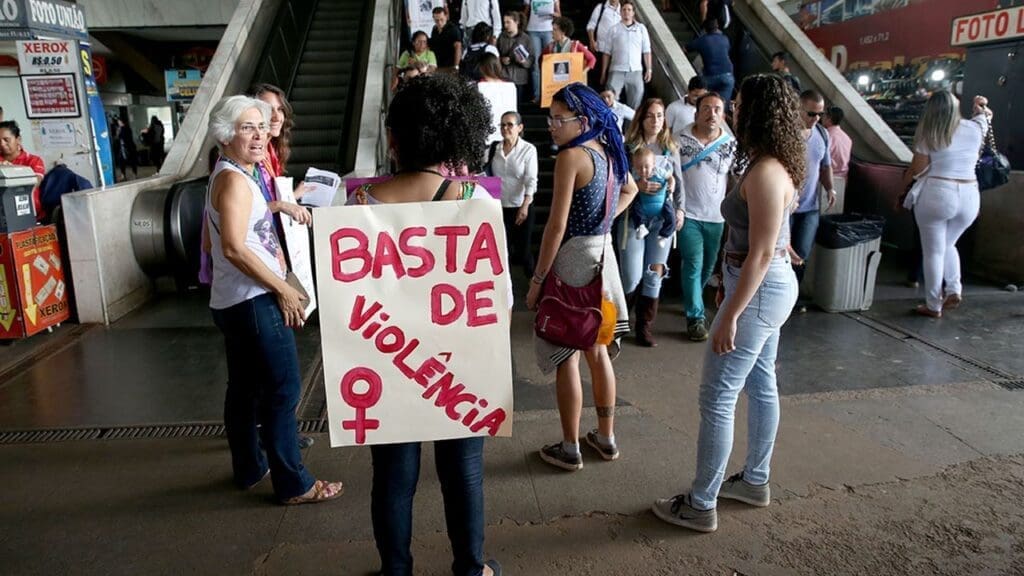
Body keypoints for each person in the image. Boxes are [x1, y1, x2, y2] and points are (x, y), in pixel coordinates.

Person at [347, 74, 503, 576]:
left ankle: (396, 571)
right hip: (458, 367)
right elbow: (499, 298)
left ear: (395, 140)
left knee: (393, 477)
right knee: (464, 472)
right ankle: (470, 568)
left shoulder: (361, 207)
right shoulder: (476, 203)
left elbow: (348, 298)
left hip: (390, 363)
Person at [652, 74, 804, 533]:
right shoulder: (771, 163)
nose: (733, 109)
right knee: (760, 385)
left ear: (758, 112)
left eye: (739, 104)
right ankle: (754, 480)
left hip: (760, 287)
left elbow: (761, 252)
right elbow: (769, 241)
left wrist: (731, 314)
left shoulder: (765, 170)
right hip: (762, 281)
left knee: (717, 397)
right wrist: (730, 279)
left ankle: (701, 504)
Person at [204, 95, 342, 506]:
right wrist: (282, 289)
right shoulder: (231, 178)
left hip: (237, 300)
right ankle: (294, 483)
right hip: (252, 301)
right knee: (283, 389)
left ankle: (250, 467)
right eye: (248, 127)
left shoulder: (237, 173)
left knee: (245, 389)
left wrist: (280, 204)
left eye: (262, 127)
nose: (259, 135)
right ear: (227, 135)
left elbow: (247, 221)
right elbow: (233, 247)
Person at [527, 82, 638, 471]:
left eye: (560, 119)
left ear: (583, 120)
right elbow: (631, 189)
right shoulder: (607, 151)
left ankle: (570, 446)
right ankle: (606, 438)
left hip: (573, 259)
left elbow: (555, 227)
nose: (552, 126)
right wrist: (604, 223)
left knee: (566, 356)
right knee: (598, 350)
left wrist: (538, 281)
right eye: (551, 118)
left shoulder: (571, 157)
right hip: (603, 258)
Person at [901, 92, 991, 319]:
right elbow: (987, 115)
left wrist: (902, 189)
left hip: (938, 193)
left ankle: (933, 304)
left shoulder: (928, 134)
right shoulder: (975, 127)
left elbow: (918, 169)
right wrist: (980, 105)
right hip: (970, 194)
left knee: (933, 251)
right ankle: (954, 289)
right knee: (949, 244)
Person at [676, 92, 737, 341]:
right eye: (707, 108)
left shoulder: (730, 143)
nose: (712, 113)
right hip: (688, 213)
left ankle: (694, 299)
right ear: (697, 112)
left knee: (708, 265)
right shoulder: (680, 139)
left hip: (716, 217)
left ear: (723, 114)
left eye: (717, 109)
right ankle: (695, 317)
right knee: (692, 263)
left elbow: (737, 177)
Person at [622, 97, 682, 347]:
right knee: (631, 273)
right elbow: (617, 180)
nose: (656, 120)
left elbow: (678, 182)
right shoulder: (629, 147)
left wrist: (680, 209)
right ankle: (621, 320)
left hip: (662, 218)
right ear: (641, 118)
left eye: (660, 115)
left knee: (654, 272)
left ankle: (644, 326)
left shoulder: (670, 147)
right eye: (650, 115)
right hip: (634, 219)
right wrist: (637, 186)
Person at [788, 89, 834, 311]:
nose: (816, 119)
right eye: (811, 114)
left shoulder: (822, 135)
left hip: (810, 207)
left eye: (820, 114)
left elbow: (826, 166)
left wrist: (830, 188)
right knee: (781, 254)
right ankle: (780, 295)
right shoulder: (786, 135)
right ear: (798, 109)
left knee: (802, 254)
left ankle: (793, 297)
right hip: (785, 207)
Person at [488, 111, 538, 277]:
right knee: (501, 251)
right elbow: (485, 174)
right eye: (502, 125)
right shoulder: (494, 149)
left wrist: (525, 206)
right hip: (499, 207)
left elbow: (531, 180)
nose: (505, 128)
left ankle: (533, 287)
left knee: (524, 251)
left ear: (520, 127)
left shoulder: (528, 150)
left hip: (521, 206)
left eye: (510, 124)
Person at [600, 0, 651, 110]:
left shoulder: (641, 29)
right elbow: (607, 53)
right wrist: (604, 73)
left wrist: (649, 69)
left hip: (635, 70)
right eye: (624, 10)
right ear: (620, 12)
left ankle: (630, 127)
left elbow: (646, 50)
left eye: (629, 10)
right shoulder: (613, 29)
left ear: (633, 13)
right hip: (616, 70)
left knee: (635, 103)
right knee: (610, 102)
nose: (626, 12)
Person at [0, 120, 46, 218]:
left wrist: (11, 171)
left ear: (18, 139)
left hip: (27, 211)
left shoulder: (33, 160)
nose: (2, 144)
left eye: (6, 140)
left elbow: (34, 183)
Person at [685, 19, 734, 108]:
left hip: (710, 76)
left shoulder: (702, 40)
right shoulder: (725, 39)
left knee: (705, 102)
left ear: (705, 29)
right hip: (728, 76)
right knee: (722, 106)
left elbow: (685, 49)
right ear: (717, 28)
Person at [523, 0, 561, 102]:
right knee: (535, 63)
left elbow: (559, 14)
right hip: (532, 30)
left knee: (549, 62)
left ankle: (550, 94)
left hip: (548, 30)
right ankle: (537, 94)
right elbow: (525, 12)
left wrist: (552, 14)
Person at [476, 54, 517, 145]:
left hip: (486, 136)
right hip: (508, 133)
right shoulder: (511, 86)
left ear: (482, 68)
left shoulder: (479, 86)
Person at [497, 11, 533, 101]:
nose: (505, 25)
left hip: (520, 78)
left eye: (508, 22)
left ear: (516, 22)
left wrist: (524, 61)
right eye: (504, 22)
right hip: (504, 77)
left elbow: (532, 58)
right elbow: (496, 55)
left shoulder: (526, 39)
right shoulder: (501, 37)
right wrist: (501, 60)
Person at [586, 0, 622, 89]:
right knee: (598, 78)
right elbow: (591, 25)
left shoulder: (623, 10)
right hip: (600, 48)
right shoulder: (601, 7)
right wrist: (592, 40)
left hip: (616, 51)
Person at [430, 7, 463, 73]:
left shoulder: (453, 29)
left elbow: (458, 48)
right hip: (438, 65)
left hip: (449, 66)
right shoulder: (434, 29)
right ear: (433, 18)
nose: (439, 22)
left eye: (441, 19)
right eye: (437, 20)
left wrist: (456, 66)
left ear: (446, 16)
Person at [822, 105, 851, 177]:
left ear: (829, 118)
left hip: (826, 178)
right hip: (843, 178)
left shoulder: (826, 137)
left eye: (824, 115)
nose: (822, 118)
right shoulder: (847, 138)